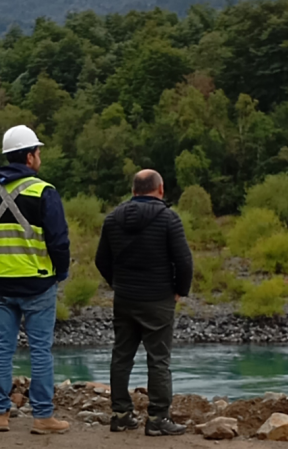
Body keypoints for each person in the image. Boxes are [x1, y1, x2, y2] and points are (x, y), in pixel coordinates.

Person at [0, 125, 70, 435]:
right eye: (38, 152)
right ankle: (43, 417)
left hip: (1, 282)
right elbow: (58, 241)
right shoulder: (44, 191)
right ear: (29, 157)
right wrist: (61, 272)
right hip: (38, 282)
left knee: (2, 348)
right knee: (41, 350)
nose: (39, 157)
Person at [95, 169, 193, 437]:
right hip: (158, 298)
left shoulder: (113, 218)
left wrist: (117, 283)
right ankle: (159, 418)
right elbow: (184, 260)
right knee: (159, 359)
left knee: (122, 355)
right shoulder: (169, 218)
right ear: (160, 189)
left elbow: (101, 260)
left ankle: (120, 415)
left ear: (133, 190)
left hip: (124, 297)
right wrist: (179, 291)